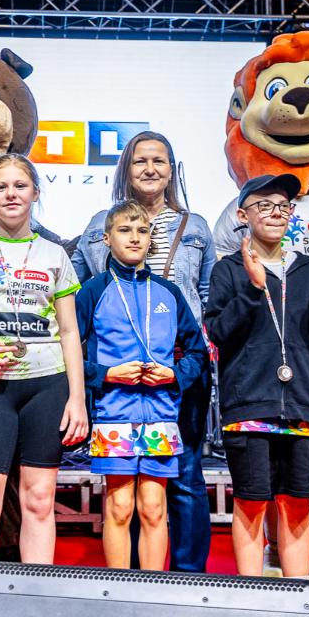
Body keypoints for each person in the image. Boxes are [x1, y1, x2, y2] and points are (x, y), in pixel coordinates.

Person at [72, 131, 215, 572]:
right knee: (121, 502)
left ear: (172, 170)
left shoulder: (195, 228)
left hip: (172, 385)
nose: (150, 169)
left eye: (159, 160)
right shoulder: (98, 236)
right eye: (139, 161)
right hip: (116, 400)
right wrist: (103, 374)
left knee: (175, 487)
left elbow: (206, 297)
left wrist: (178, 372)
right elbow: (71, 307)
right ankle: (125, 580)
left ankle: (182, 579)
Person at [204, 174, 309, 583]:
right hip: (250, 406)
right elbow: (218, 332)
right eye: (264, 205)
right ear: (242, 215)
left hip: (302, 404)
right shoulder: (229, 269)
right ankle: (253, 595)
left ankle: (296, 595)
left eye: (283, 206)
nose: (275, 213)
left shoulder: (307, 268)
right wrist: (253, 289)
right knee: (252, 504)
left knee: (297, 505)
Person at [0, 154, 89, 563]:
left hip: (48, 387)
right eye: (1, 187)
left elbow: (69, 332)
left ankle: (35, 597)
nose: (11, 194)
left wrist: (77, 399)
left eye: (20, 186)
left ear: (35, 193)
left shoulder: (54, 254)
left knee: (39, 501)